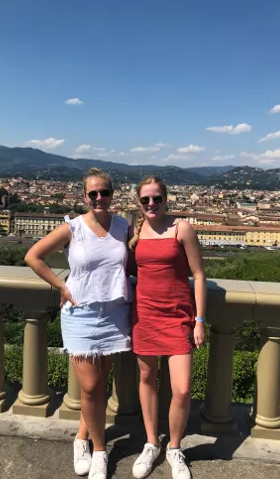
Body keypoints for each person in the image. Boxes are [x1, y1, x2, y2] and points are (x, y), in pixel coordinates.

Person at [24, 167, 132, 479]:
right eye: (93, 193)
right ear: (84, 197)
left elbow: (138, 259)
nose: (99, 198)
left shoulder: (124, 225)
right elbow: (34, 257)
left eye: (105, 192)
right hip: (81, 315)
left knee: (99, 386)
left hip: (114, 313)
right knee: (91, 386)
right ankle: (100, 452)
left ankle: (81, 438)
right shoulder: (72, 228)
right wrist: (61, 286)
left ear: (112, 195)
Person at [128, 176, 207, 479]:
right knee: (146, 378)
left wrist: (199, 320)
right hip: (145, 315)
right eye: (145, 200)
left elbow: (198, 274)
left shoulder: (181, 228)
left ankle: (174, 448)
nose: (151, 204)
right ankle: (151, 443)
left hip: (177, 316)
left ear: (165, 199)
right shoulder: (136, 233)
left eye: (156, 199)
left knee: (182, 389)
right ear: (139, 202)